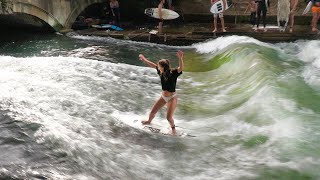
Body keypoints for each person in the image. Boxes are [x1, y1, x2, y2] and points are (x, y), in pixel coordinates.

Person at [139, 50, 184, 135]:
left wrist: (180, 58)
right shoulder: (161, 72)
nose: (158, 67)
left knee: (168, 117)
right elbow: (154, 65)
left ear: (163, 67)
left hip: (172, 98)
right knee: (152, 112)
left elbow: (181, 68)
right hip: (163, 97)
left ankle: (173, 129)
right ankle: (149, 121)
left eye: (159, 66)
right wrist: (144, 60)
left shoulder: (173, 73)